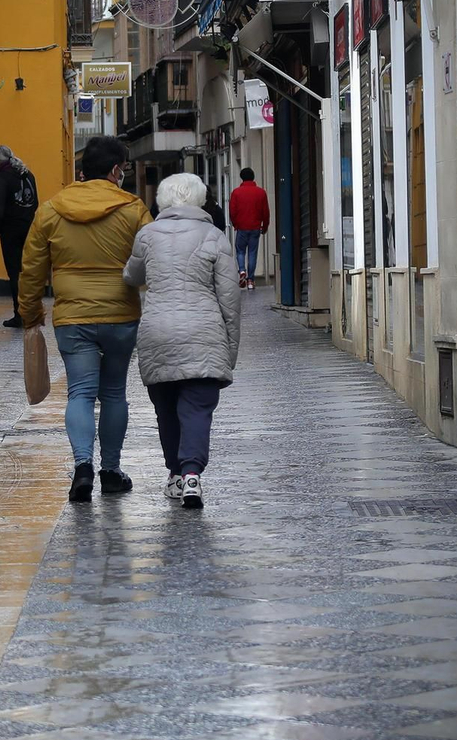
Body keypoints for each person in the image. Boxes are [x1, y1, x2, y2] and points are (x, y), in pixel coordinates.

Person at [19, 136, 152, 502]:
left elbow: (31, 269)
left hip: (72, 317)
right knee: (113, 393)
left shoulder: (50, 210)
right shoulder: (134, 209)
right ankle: (110, 471)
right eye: (123, 170)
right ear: (114, 171)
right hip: (121, 315)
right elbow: (151, 259)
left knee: (79, 392)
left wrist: (31, 314)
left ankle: (82, 466)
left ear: (82, 171)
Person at [124, 173, 241, 509]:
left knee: (166, 408)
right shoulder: (214, 236)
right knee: (197, 409)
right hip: (204, 333)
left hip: (158, 331)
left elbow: (133, 276)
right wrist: (230, 349)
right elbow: (230, 299)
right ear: (200, 200)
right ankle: (192, 475)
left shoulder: (146, 235)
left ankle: (175, 474)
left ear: (162, 200)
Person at [0, 145, 38, 328]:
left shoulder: (2, 176)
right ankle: (31, 312)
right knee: (28, 272)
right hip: (29, 229)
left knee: (14, 273)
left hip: (10, 231)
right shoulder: (28, 174)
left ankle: (19, 314)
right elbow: (35, 203)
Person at [228, 167, 270, 289]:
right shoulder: (261, 192)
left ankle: (242, 270)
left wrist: (236, 224)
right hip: (255, 227)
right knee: (252, 253)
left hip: (241, 227)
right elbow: (265, 212)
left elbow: (232, 211)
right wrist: (265, 226)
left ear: (242, 177)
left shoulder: (236, 193)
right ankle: (250, 280)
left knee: (240, 251)